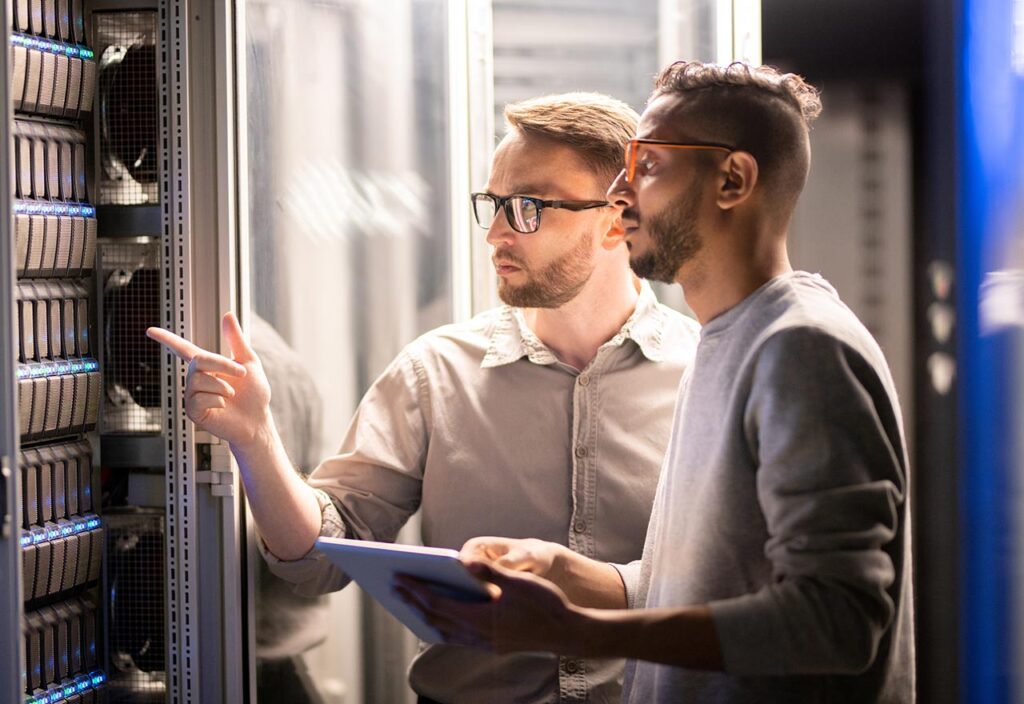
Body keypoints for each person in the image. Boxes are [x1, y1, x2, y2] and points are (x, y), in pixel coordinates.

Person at [147, 92, 701, 703]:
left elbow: (743, 580)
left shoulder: (706, 376)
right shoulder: (434, 371)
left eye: (526, 208)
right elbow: (315, 557)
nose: (494, 234)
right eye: (491, 204)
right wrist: (255, 439)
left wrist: (587, 581)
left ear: (616, 217)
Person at [396, 61, 916, 703]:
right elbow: (722, 583)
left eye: (646, 165)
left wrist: (581, 631)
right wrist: (576, 575)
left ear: (733, 179)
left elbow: (836, 623)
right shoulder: (726, 341)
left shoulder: (800, 349)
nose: (619, 194)